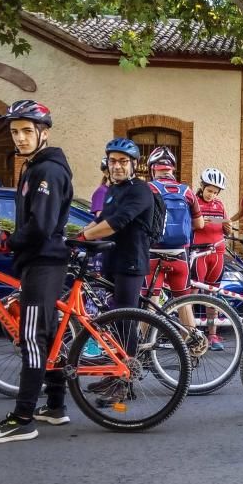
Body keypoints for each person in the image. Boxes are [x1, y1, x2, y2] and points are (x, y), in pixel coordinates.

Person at [0, 100, 73, 444]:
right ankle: (56, 406)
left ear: (43, 132)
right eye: (15, 132)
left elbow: (41, 226)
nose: (20, 138)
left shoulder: (47, 171)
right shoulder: (34, 167)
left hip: (43, 261)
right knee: (48, 334)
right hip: (40, 260)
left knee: (32, 336)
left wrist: (8, 239)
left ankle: (22, 418)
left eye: (27, 131)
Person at [76, 138, 155, 403]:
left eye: (123, 161)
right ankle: (114, 372)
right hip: (112, 259)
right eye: (113, 161)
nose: (117, 166)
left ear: (134, 164)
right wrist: (79, 234)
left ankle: (125, 381)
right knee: (112, 320)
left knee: (125, 319)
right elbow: (101, 219)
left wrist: (84, 237)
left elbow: (116, 223)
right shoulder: (113, 190)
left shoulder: (140, 190)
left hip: (131, 261)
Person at [144, 147, 204, 302]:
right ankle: (188, 328)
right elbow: (199, 224)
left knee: (150, 305)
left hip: (153, 253)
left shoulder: (148, 189)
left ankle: (153, 325)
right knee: (184, 303)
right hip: (179, 253)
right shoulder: (187, 191)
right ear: (172, 169)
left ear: (153, 169)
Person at [192, 168, 232, 350]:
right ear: (202, 186)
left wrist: (228, 228)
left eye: (215, 192)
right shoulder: (193, 202)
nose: (212, 195)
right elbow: (187, 226)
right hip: (199, 253)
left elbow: (226, 228)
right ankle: (189, 334)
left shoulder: (220, 205)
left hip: (217, 254)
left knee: (212, 295)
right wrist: (198, 224)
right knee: (192, 294)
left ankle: (213, 335)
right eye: (209, 191)